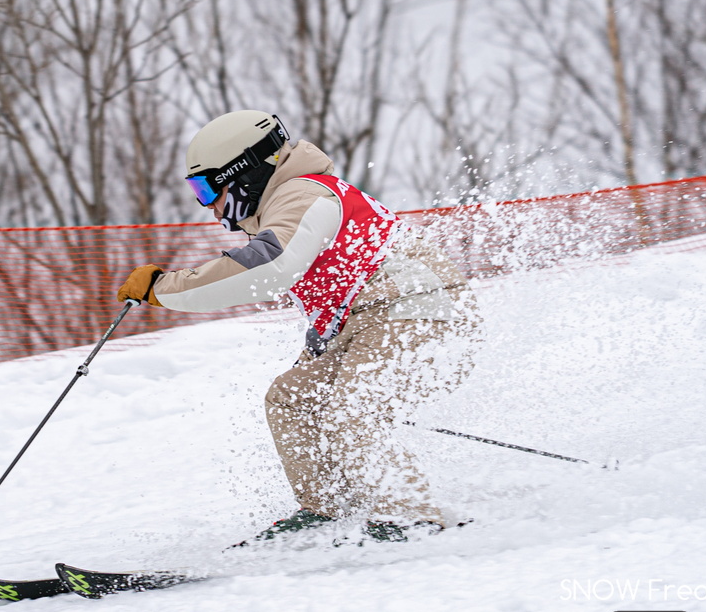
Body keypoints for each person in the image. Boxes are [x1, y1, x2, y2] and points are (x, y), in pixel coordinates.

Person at [115, 110, 481, 543]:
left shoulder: (304, 193)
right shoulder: (284, 203)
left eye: (208, 186)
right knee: (293, 400)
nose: (207, 203)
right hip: (367, 318)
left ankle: (409, 517)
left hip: (418, 308)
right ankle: (328, 509)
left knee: (354, 408)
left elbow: (272, 265)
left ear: (244, 170)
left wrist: (167, 288)